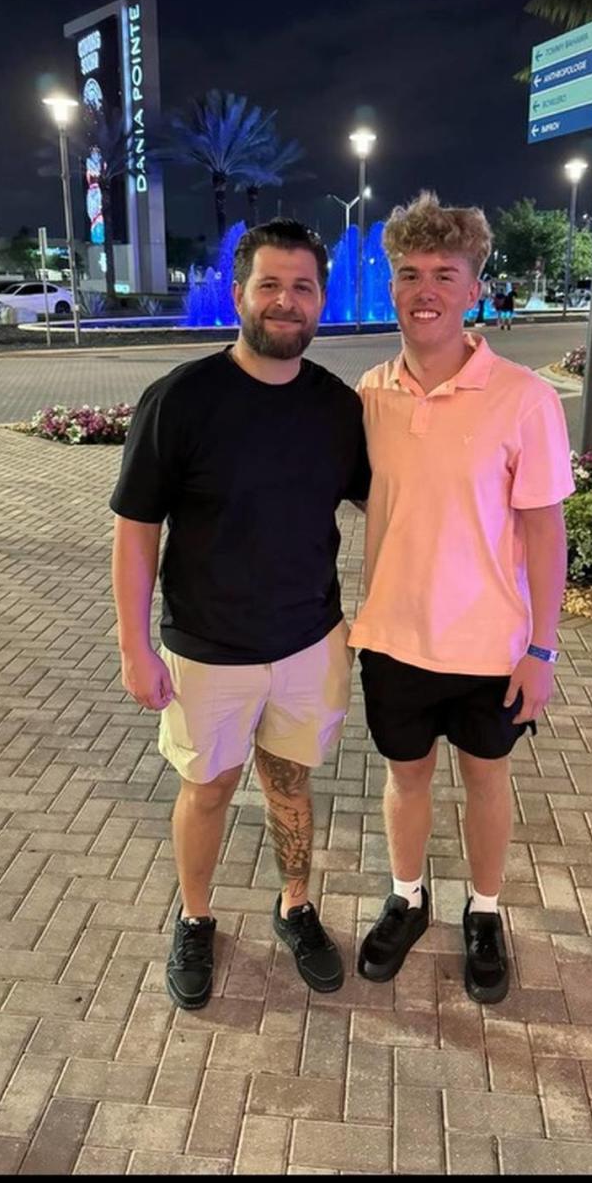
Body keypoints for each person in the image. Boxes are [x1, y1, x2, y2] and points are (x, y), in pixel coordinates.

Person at [110, 220, 371, 1012]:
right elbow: (134, 530)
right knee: (211, 787)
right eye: (270, 284)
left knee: (291, 785)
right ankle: (195, 917)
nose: (286, 301)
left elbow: (390, 508)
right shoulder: (181, 399)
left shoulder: (337, 406)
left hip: (308, 640)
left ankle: (295, 904)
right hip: (208, 648)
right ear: (239, 294)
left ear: (320, 299)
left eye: (302, 287)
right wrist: (133, 646)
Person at [349, 193, 575, 1004]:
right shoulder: (371, 392)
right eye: (408, 273)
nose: (424, 289)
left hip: (492, 648)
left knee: (486, 780)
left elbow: (546, 535)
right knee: (406, 779)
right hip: (395, 639)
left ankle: (484, 911)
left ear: (475, 288)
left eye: (444, 273)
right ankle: (408, 898)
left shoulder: (524, 398)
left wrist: (541, 649)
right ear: (392, 284)